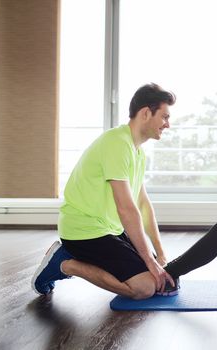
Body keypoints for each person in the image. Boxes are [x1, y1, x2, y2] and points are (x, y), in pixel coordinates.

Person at [32, 83, 178, 300]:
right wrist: (149, 259)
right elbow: (126, 208)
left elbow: (143, 205)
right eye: (164, 117)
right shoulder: (116, 143)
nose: (168, 124)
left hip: (109, 230)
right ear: (146, 113)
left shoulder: (137, 153)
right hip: (84, 230)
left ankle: (75, 260)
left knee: (157, 277)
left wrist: (160, 255)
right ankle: (64, 263)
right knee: (145, 287)